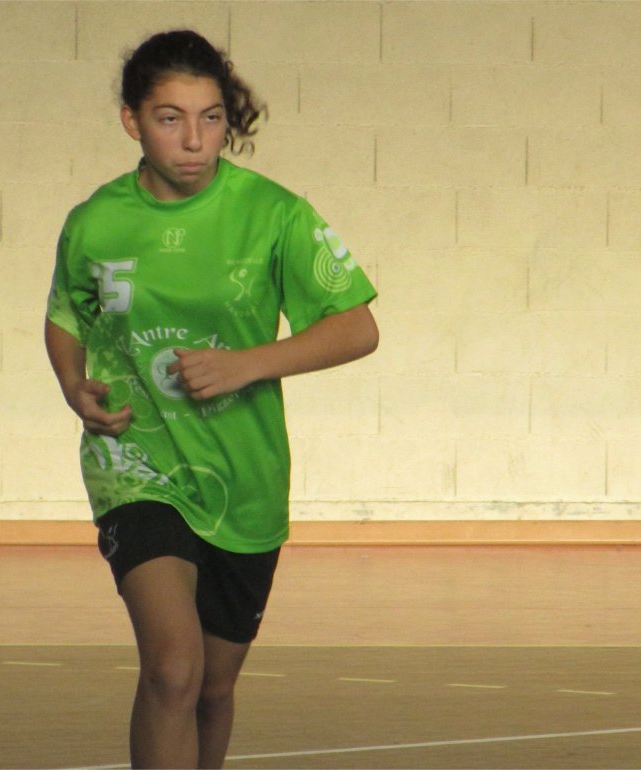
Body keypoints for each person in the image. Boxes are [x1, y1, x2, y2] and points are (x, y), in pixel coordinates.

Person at [44, 29, 378, 769]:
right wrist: (74, 386)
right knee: (172, 669)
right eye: (170, 118)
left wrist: (247, 365)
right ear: (132, 120)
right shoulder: (95, 222)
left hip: (243, 478)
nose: (194, 141)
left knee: (213, 689)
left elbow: (357, 327)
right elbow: (66, 317)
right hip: (136, 465)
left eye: (211, 117)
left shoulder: (275, 214)